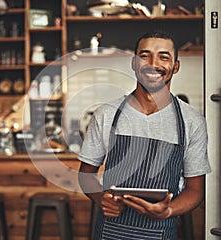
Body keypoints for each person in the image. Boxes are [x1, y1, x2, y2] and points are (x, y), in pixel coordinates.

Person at [77, 30, 211, 240]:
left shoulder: (192, 122)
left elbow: (195, 189)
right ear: (134, 63)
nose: (153, 63)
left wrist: (168, 211)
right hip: (109, 233)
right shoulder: (107, 114)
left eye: (164, 57)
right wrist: (101, 198)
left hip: (160, 232)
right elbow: (86, 174)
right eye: (145, 55)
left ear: (175, 66)